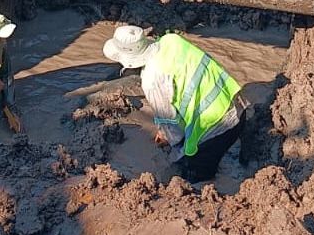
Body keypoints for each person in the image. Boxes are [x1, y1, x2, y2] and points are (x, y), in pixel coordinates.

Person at [102, 24, 248, 182]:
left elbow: (173, 129)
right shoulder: (171, 41)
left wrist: (166, 138)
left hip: (219, 128)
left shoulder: (152, 80)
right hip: (238, 104)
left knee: (193, 179)